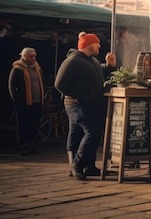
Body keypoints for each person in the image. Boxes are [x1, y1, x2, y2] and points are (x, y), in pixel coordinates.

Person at [55, 32, 116, 180]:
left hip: (88, 104)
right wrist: (81, 95)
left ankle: (88, 166)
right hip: (77, 104)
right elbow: (59, 83)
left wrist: (109, 66)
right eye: (97, 43)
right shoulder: (73, 60)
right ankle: (77, 164)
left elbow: (96, 72)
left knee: (76, 133)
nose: (99, 46)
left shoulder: (91, 60)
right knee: (92, 132)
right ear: (89, 45)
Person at [8, 47, 45, 155]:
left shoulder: (37, 68)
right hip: (24, 102)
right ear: (24, 56)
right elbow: (12, 86)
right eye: (31, 56)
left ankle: (33, 144)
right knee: (24, 124)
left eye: (34, 56)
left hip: (37, 101)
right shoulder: (18, 68)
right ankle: (24, 145)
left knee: (35, 124)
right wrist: (17, 100)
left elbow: (42, 81)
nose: (33, 58)